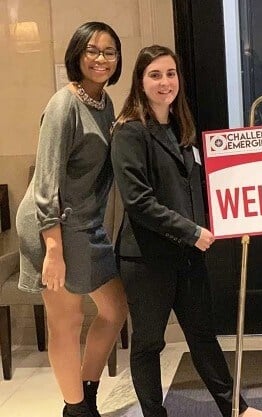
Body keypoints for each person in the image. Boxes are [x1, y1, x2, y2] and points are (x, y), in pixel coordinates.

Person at [110, 45, 262, 417]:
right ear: (140, 81)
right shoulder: (129, 132)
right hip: (147, 259)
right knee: (149, 343)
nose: (165, 82)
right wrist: (191, 231)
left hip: (187, 257)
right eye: (155, 75)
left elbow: (200, 187)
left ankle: (237, 410)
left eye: (170, 74)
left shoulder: (182, 127)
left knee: (203, 338)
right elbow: (138, 202)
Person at [16, 22, 128, 417]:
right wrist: (53, 250)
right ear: (77, 55)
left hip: (85, 224)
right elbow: (45, 183)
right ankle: (76, 408)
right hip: (53, 224)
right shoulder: (64, 105)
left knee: (115, 309)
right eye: (92, 50)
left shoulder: (104, 101)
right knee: (67, 320)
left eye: (109, 52)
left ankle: (86, 392)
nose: (101, 59)